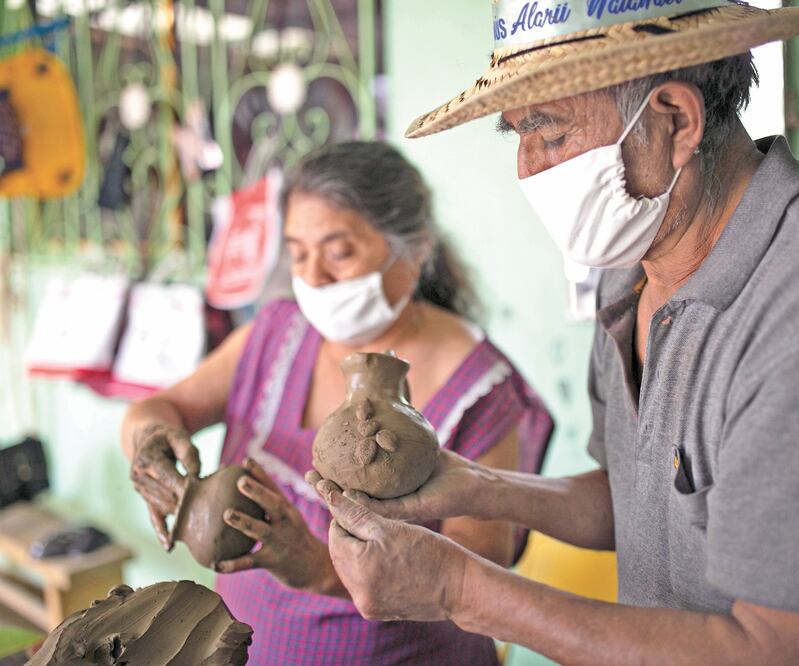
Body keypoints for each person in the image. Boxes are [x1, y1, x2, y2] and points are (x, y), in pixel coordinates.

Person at [308, 2, 799, 663]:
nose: (527, 169)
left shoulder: (783, 313)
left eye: (550, 133)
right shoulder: (628, 270)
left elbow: (771, 647)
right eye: (516, 134)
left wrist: (458, 588)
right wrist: (478, 486)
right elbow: (635, 500)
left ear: (675, 120)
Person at [121, 141, 553, 665]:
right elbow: (159, 410)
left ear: (415, 250)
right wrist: (150, 444)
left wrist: (324, 571)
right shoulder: (276, 333)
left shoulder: (478, 386)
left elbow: (480, 580)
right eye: (298, 253)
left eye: (339, 252)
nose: (314, 277)